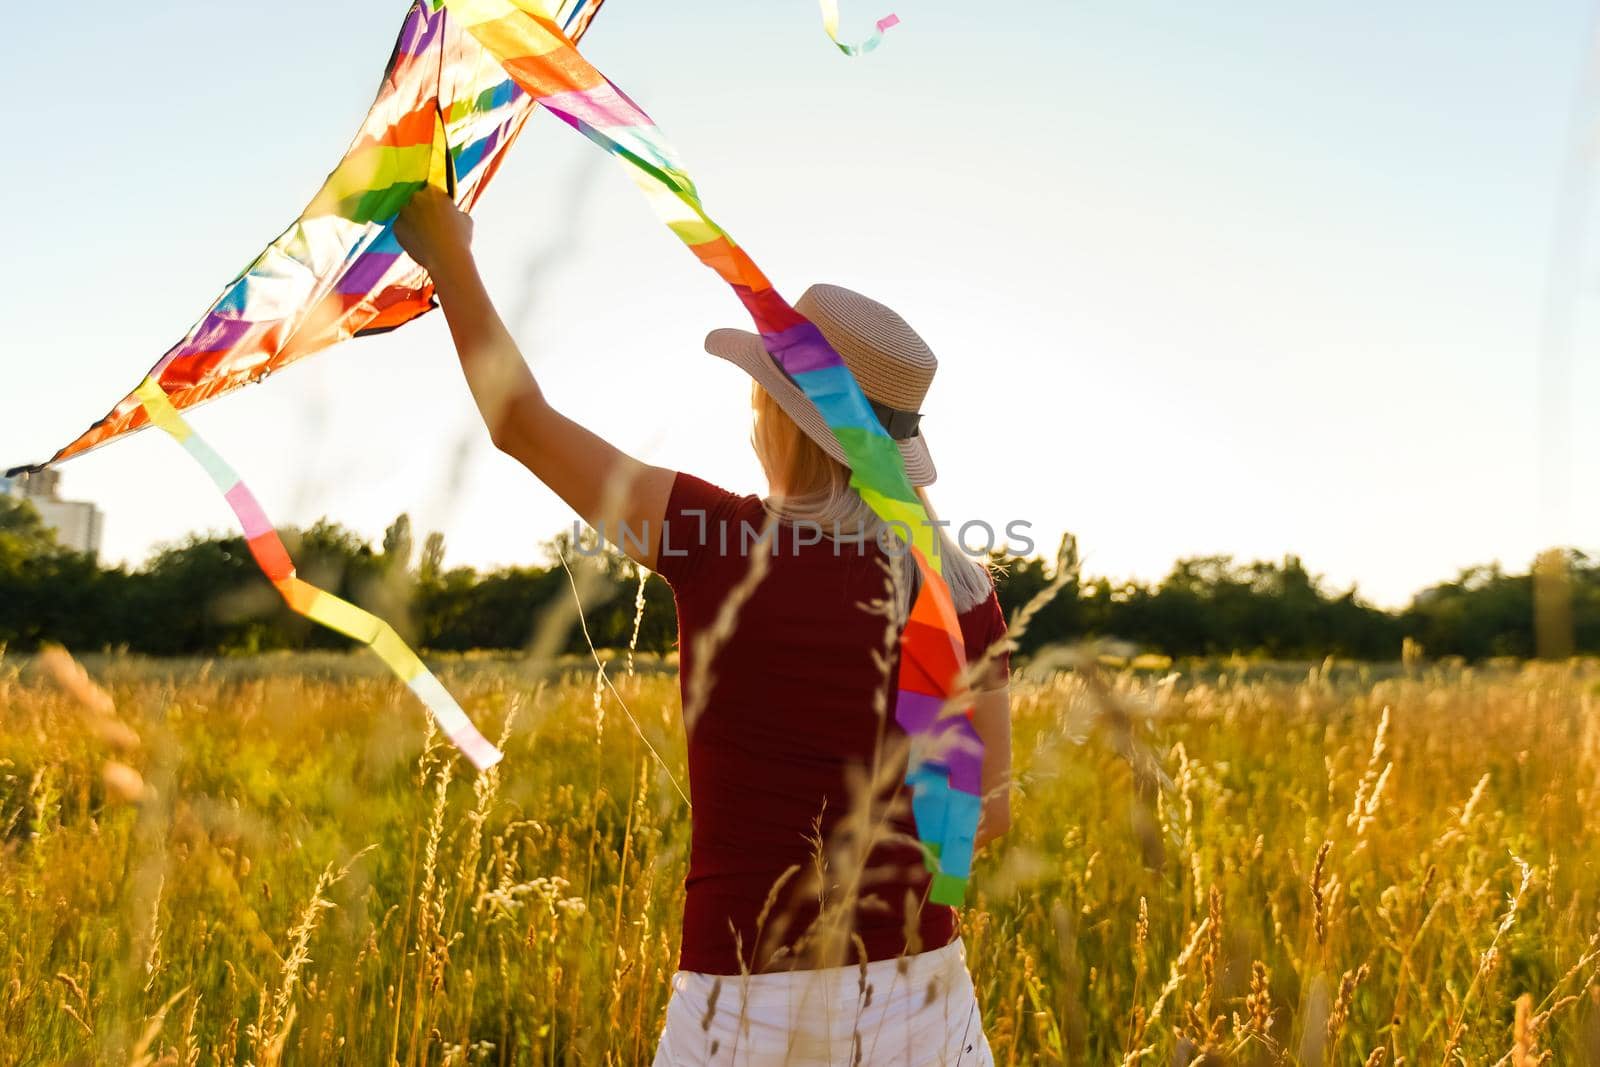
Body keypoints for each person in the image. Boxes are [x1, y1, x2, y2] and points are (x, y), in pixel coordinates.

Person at [396, 187, 1012, 1066]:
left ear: (784, 419)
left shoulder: (720, 539)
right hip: (925, 996)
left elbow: (518, 422)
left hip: (746, 1006)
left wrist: (447, 256)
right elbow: (986, 821)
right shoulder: (961, 587)